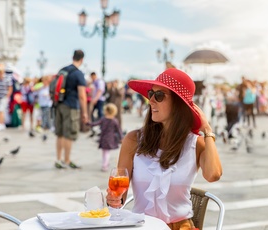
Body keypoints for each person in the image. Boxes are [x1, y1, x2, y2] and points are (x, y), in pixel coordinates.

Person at [106, 68, 222, 230]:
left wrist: (208, 130)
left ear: (178, 103)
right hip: (141, 227)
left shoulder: (196, 144)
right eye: (150, 94)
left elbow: (213, 174)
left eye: (159, 96)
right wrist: (113, 199)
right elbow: (120, 194)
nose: (151, 100)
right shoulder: (133, 140)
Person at [54, 50, 88, 169]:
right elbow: (82, 96)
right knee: (68, 134)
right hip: (71, 106)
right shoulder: (78, 74)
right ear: (82, 59)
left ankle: (58, 159)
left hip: (59, 104)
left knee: (60, 133)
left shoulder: (62, 70)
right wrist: (85, 112)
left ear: (72, 57)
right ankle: (67, 160)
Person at [87, 103, 123, 172]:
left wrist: (88, 123)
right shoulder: (115, 120)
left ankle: (105, 165)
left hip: (103, 138)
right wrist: (121, 138)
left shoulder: (103, 119)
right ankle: (105, 164)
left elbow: (95, 124)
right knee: (106, 152)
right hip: (110, 138)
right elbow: (119, 130)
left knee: (105, 152)